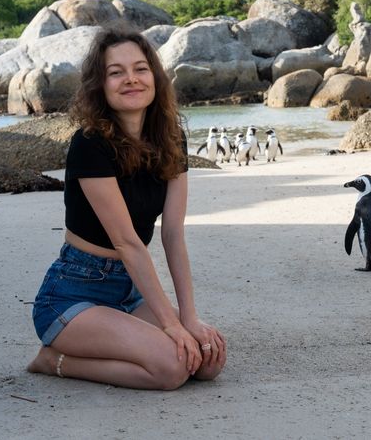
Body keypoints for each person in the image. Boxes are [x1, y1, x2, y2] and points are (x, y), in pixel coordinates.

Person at [27, 27, 226, 389]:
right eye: (116, 72)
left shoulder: (171, 138)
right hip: (73, 296)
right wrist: (170, 325)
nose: (131, 79)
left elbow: (172, 234)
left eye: (140, 69)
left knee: (208, 359)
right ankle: (52, 360)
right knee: (171, 369)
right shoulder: (90, 144)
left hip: (129, 292)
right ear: (100, 85)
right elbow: (127, 243)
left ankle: (145, 338)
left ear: (155, 77)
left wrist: (190, 319)